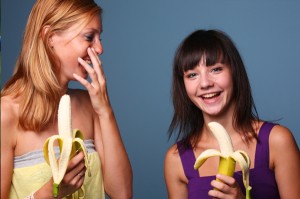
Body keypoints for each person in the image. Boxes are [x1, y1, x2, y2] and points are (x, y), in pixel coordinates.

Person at [1, 0, 133, 198]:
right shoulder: (6, 113)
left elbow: (122, 193)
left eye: (99, 38)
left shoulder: (89, 105)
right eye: (89, 37)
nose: (99, 49)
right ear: (50, 36)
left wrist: (105, 110)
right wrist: (51, 191)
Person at [164, 29, 300, 199]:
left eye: (215, 69)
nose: (205, 83)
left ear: (234, 72)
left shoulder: (277, 141)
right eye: (192, 75)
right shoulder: (176, 159)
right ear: (183, 86)